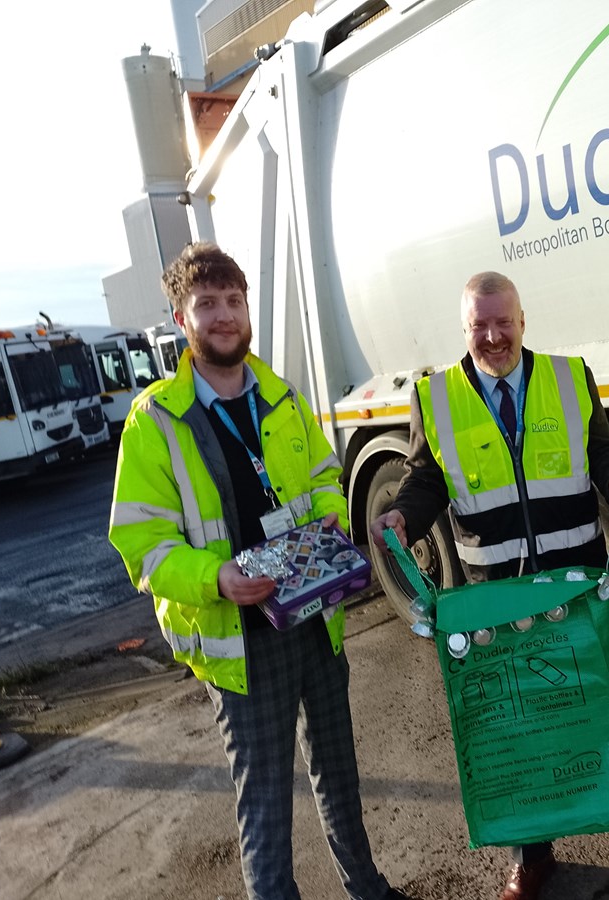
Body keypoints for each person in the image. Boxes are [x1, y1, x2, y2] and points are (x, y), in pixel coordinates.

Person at [108, 242, 413, 900]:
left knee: (339, 772)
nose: (224, 315)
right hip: (239, 639)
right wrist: (215, 579)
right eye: (207, 303)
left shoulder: (281, 397)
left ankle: (369, 889)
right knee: (267, 805)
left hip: (313, 618)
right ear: (181, 317)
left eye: (234, 301)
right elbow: (142, 543)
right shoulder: (155, 421)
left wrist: (333, 516)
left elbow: (328, 477)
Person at [370, 271, 609, 900]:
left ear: (522, 320)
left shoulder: (570, 377)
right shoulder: (435, 396)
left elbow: (605, 449)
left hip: (574, 584)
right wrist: (405, 511)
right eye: (479, 325)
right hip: (495, 592)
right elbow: (426, 477)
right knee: (515, 724)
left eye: (502, 322)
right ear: (465, 328)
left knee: (602, 702)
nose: (492, 335)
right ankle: (533, 853)